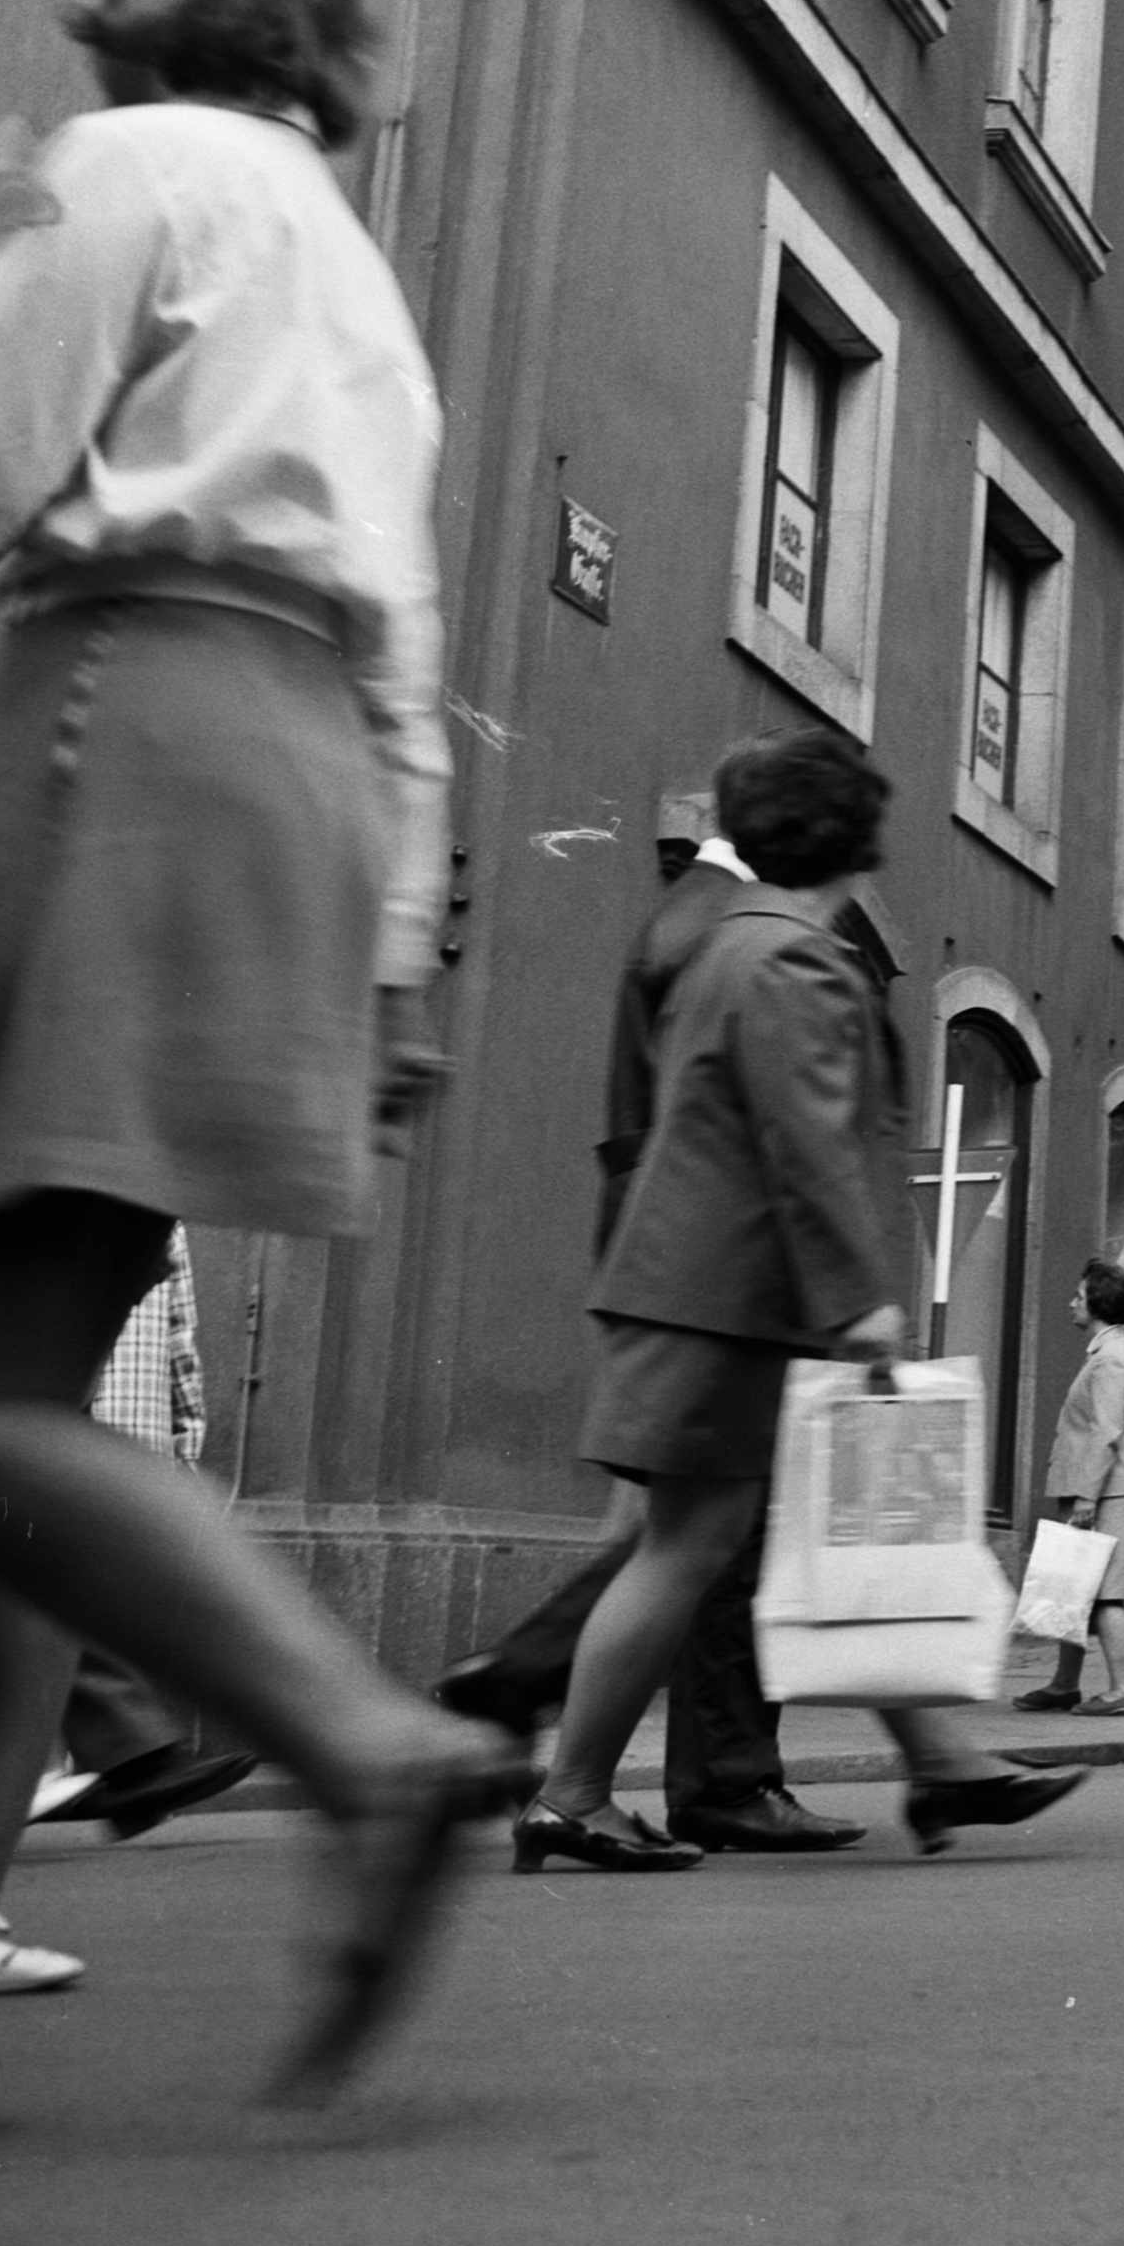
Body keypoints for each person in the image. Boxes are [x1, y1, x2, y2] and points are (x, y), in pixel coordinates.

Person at [0, 0, 536, 2136]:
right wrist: (390, 940)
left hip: (118, 739)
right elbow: (403, 637)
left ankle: (353, 1739)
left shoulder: (117, 171)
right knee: (10, 1406)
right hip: (285, 782)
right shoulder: (347, 276)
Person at [514, 727, 1086, 1865]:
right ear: (853, 836)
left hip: (708, 1291)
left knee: (791, 1530)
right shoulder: (795, 959)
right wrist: (856, 1302)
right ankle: (569, 1795)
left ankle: (941, 1763)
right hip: (725, 1299)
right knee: (687, 1548)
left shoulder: (735, 943)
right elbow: (807, 1141)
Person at [433, 786, 865, 1853]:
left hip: (680, 1265)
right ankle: (592, 1759)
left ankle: (583, 1742)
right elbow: (784, 1128)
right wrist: (851, 1293)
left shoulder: (703, 919)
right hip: (713, 1274)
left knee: (693, 1532)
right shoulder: (738, 927)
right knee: (704, 1536)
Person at [28, 1230, 261, 1843]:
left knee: (31, 1568)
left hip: (73, 1424)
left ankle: (126, 1757)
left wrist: (184, 1450)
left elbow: (179, 1336)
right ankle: (125, 1756)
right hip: (19, 1413)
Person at [1020, 1262, 1124, 1718]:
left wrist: (1087, 1498)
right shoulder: (1107, 1352)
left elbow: (1106, 1432)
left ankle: (1123, 1689)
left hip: (1110, 1491)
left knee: (1108, 1591)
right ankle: (1064, 1684)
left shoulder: (1112, 1358)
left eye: (1080, 1295)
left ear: (1097, 1303)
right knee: (1075, 1588)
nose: (1072, 1302)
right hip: (1104, 1487)